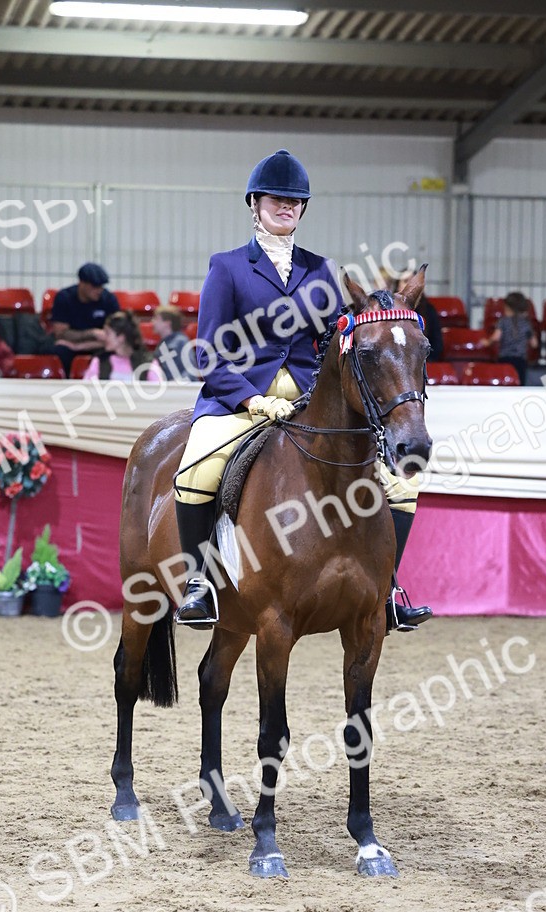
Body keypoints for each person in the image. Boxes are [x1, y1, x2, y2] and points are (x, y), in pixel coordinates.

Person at [173, 148, 431, 633]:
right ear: (255, 203)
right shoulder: (227, 268)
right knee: (197, 470)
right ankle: (198, 584)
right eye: (277, 199)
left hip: (308, 399)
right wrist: (252, 398)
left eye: (295, 201)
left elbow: (338, 338)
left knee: (402, 480)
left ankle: (389, 586)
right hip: (242, 397)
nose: (286, 207)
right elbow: (208, 352)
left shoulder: (323, 270)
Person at [51, 263, 121, 376]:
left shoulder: (109, 300)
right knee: (60, 350)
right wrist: (93, 333)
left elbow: (115, 338)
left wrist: (80, 345)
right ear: (81, 283)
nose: (99, 290)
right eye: (94, 286)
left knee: (114, 352)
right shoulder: (64, 298)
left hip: (99, 345)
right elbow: (61, 334)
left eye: (101, 286)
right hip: (73, 345)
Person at [83, 312, 163, 383]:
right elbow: (89, 390)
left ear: (121, 337)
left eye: (108, 333)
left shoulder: (147, 363)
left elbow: (159, 392)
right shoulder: (99, 361)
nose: (104, 337)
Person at [481, 291, 538, 385]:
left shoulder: (503, 321)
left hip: (505, 358)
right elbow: (534, 344)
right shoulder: (526, 323)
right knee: (519, 383)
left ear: (507, 307)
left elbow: (496, 337)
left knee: (504, 384)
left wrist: (487, 342)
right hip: (521, 360)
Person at [152, 305, 191, 380]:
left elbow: (190, 370)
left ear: (167, 323)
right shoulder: (162, 343)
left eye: (156, 319)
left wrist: (177, 384)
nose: (153, 322)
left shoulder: (181, 342)